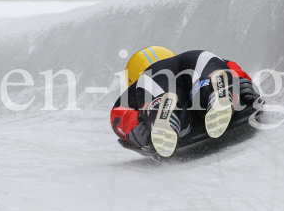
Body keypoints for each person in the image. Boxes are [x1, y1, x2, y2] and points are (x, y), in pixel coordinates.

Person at [110, 47, 261, 158]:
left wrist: (134, 128)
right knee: (208, 81)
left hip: (152, 79)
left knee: (168, 103)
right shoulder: (180, 60)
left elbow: (118, 113)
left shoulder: (140, 83)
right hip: (197, 58)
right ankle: (216, 89)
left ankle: (166, 115)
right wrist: (243, 83)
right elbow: (232, 67)